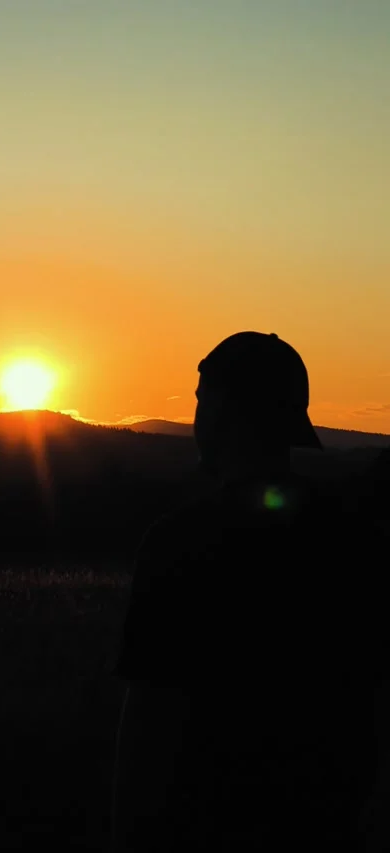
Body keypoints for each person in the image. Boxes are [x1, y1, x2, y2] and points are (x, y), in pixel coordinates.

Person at [111, 331, 388, 852]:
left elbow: (149, 726)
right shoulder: (359, 543)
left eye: (199, 400)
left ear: (219, 413)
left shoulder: (179, 543)